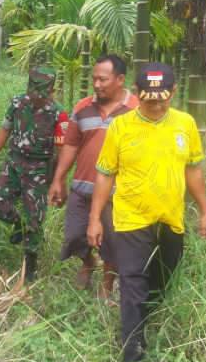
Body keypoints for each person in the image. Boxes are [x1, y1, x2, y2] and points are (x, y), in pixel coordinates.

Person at [87, 62, 206, 362]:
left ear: (174, 93)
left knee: (161, 283)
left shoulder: (185, 125)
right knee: (132, 288)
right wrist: (94, 218)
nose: (155, 106)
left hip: (171, 221)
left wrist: (204, 211)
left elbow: (193, 171)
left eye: (162, 99)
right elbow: (105, 173)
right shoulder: (121, 127)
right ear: (138, 93)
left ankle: (145, 323)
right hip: (131, 221)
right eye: (148, 100)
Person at [47, 54, 139, 304]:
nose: (96, 84)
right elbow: (71, 145)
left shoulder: (137, 110)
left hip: (117, 193)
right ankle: (88, 261)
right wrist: (59, 179)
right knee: (74, 237)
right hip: (81, 189)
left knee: (112, 243)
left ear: (120, 79)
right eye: (94, 79)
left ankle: (107, 285)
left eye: (103, 79)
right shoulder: (82, 107)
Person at [0, 66, 68, 281]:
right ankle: (19, 224)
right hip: (13, 163)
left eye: (41, 97)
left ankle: (30, 266)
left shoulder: (59, 113)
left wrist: (60, 180)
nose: (35, 101)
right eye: (33, 95)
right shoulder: (17, 102)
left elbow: (62, 149)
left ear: (52, 91)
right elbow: (6, 129)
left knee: (36, 218)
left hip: (39, 169)